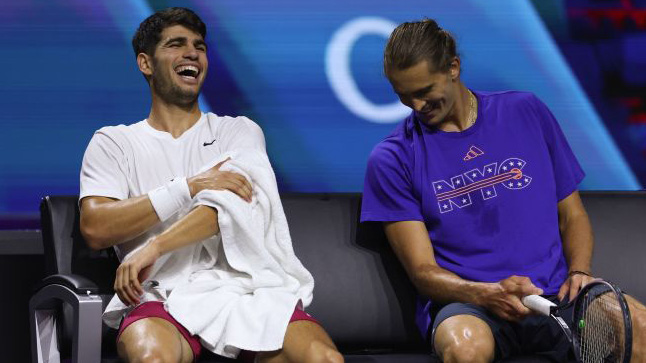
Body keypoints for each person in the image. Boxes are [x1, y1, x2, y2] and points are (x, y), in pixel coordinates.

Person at [360, 18, 646, 362]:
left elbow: (572, 215)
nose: (416, 106)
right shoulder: (391, 158)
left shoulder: (525, 111)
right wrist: (486, 293)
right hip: (471, 306)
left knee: (639, 327)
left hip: (557, 298)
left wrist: (580, 272)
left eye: (424, 92)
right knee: (466, 348)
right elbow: (423, 272)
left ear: (453, 67)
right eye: (404, 96)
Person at [79, 7, 343, 363]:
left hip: (245, 290)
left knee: (324, 359)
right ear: (145, 63)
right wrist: (188, 187)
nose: (192, 53)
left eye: (199, 46)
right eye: (176, 44)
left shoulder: (239, 131)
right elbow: (96, 227)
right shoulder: (114, 142)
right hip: (159, 295)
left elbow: (231, 208)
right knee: (150, 358)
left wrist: (154, 246)